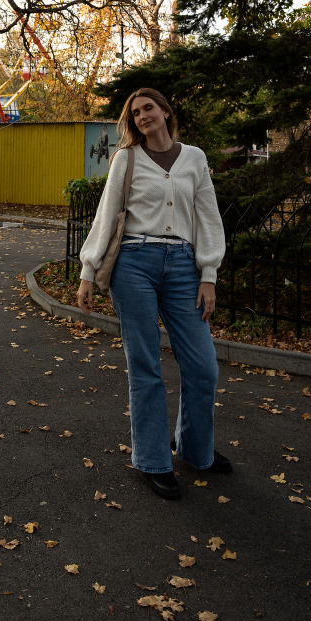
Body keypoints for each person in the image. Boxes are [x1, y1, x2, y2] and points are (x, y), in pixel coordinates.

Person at [76, 88, 231, 500]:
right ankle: (153, 460)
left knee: (203, 368)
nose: (142, 116)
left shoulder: (194, 158)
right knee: (145, 367)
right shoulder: (125, 159)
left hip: (183, 266)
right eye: (135, 112)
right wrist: (88, 272)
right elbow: (106, 215)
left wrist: (209, 273)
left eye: (149, 108)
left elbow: (208, 217)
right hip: (133, 265)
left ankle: (196, 450)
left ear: (165, 111)